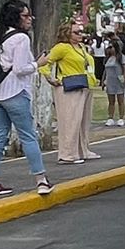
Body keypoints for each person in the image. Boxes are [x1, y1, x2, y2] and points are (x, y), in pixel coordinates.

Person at [0, 0, 54, 198]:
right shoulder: (20, 38)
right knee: (28, 135)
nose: (30, 19)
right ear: (16, 17)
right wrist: (38, 63)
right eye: (26, 16)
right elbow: (21, 69)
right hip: (14, 92)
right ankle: (41, 180)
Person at [41, 22, 100, 165]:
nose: (80, 35)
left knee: (83, 121)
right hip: (69, 87)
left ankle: (82, 150)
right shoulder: (61, 48)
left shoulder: (82, 47)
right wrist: (51, 79)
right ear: (67, 33)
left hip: (85, 85)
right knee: (70, 121)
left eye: (81, 32)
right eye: (76, 32)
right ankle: (67, 153)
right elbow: (44, 63)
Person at [101, 33, 125, 125]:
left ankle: (121, 118)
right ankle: (110, 117)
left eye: (111, 47)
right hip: (110, 81)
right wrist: (103, 81)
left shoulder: (121, 57)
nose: (110, 49)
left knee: (120, 100)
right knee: (111, 101)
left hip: (119, 80)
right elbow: (105, 70)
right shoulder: (108, 59)